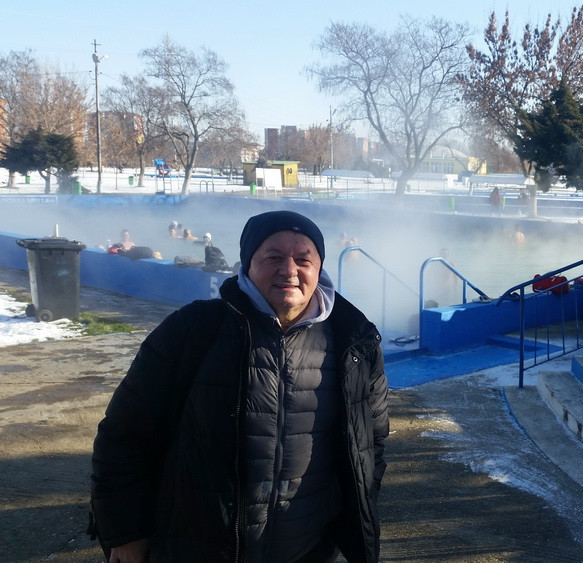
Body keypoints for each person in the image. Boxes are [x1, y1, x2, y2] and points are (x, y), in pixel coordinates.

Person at [90, 210, 389, 561]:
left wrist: (351, 520)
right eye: (273, 257)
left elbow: (371, 442)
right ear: (247, 264)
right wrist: (126, 533)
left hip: (308, 548)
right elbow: (125, 434)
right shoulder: (193, 330)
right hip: (198, 548)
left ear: (319, 268)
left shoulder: (354, 342)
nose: (289, 270)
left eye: (303, 259)